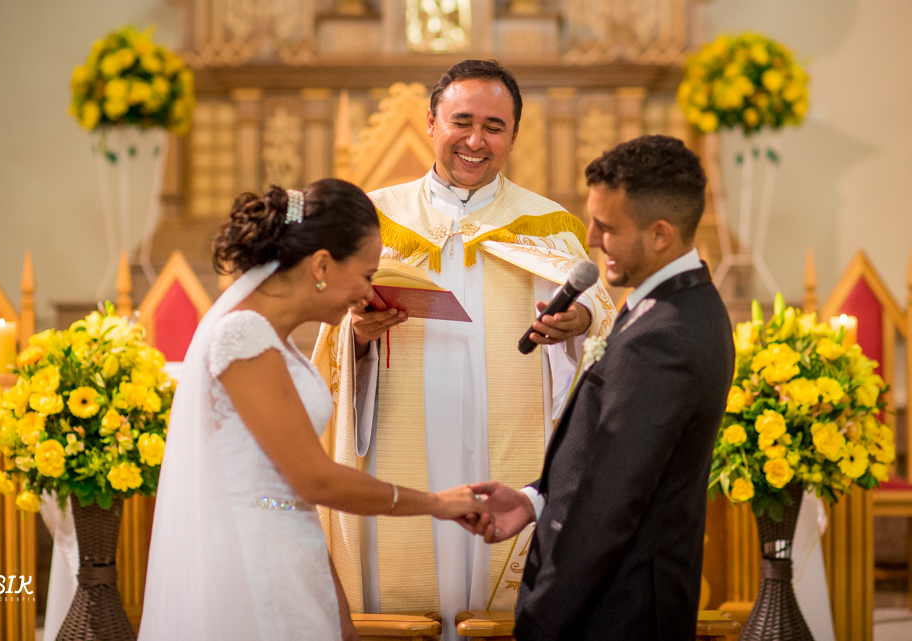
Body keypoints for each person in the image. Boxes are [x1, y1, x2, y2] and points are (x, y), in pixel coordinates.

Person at [313, 60, 615, 636]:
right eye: (462, 121)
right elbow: (330, 339)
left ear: (515, 135)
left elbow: (601, 325)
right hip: (398, 443)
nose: (476, 140)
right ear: (431, 122)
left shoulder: (548, 227)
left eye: (495, 126)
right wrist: (357, 337)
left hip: (507, 451)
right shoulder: (372, 219)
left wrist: (575, 324)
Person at [139, 179, 486, 641]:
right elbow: (313, 479)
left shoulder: (274, 338)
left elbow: (292, 487)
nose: (368, 294)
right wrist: (436, 503)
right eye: (365, 275)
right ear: (321, 264)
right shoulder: (242, 336)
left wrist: (334, 600)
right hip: (250, 561)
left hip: (290, 551)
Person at [468, 136, 736, 640]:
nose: (591, 238)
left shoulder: (664, 339)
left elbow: (612, 502)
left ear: (660, 234)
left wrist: (541, 618)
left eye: (607, 227)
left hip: (617, 610)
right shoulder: (684, 304)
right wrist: (535, 501)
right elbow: (610, 459)